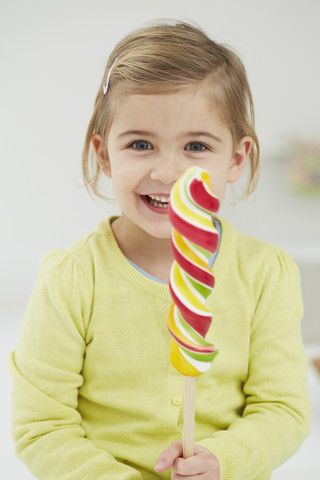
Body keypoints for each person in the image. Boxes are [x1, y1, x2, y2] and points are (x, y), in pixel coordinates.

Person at [10, 20, 310, 480]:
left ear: (236, 158)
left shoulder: (265, 273)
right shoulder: (72, 277)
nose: (168, 172)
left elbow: (282, 409)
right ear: (104, 154)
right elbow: (42, 427)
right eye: (140, 144)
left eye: (195, 146)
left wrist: (225, 461)